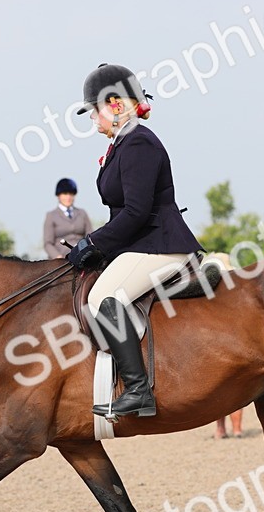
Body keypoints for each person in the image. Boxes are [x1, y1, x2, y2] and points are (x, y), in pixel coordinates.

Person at [66, 63, 203, 419]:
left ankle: (138, 390)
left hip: (161, 244)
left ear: (114, 104)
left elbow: (138, 212)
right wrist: (99, 248)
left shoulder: (139, 142)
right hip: (142, 243)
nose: (92, 120)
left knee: (103, 297)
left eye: (93, 111)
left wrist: (93, 243)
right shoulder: (121, 143)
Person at [43, 178, 93, 259]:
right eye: (65, 194)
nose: (68, 197)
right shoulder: (51, 216)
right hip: (61, 259)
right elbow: (48, 243)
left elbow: (89, 235)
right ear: (58, 196)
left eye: (71, 194)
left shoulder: (82, 213)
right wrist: (58, 257)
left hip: (82, 256)